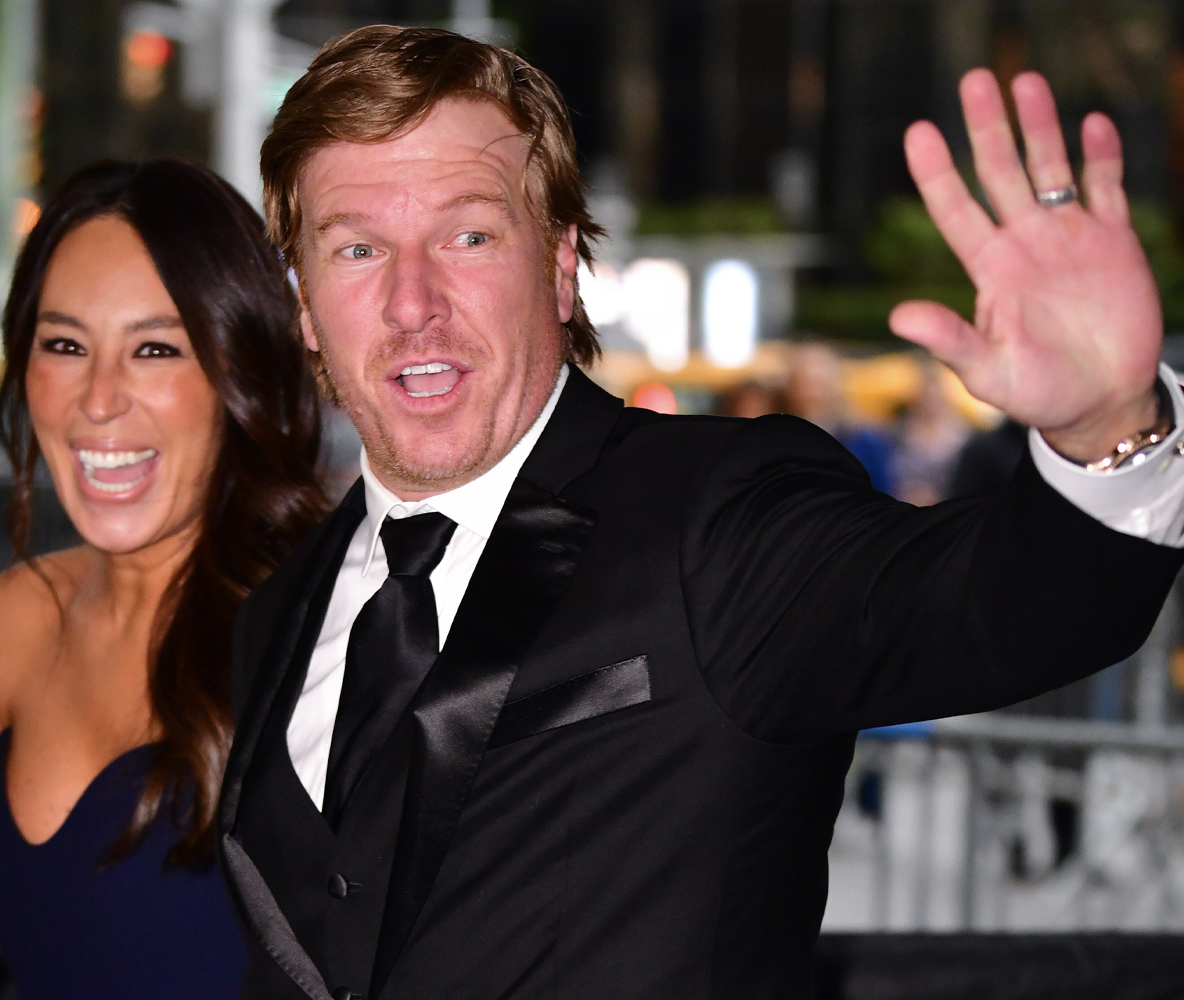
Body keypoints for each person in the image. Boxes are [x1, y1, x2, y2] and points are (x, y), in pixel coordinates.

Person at [219, 27, 1184, 1000]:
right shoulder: (279, 609)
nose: (411, 302)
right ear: (304, 305)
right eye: (357, 248)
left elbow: (1001, 604)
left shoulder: (720, 516)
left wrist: (1109, 426)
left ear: (560, 264)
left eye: (468, 236)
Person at [0, 159, 326, 1000]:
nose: (98, 400)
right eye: (65, 346)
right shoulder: (21, 616)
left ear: (237, 375)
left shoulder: (325, 633)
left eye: (155, 349)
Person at [782, 340, 897, 493]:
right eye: (804, 384)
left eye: (819, 384)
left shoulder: (863, 441)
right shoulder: (780, 440)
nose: (812, 393)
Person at [891, 359, 971, 505]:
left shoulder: (960, 435)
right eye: (926, 397)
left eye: (934, 397)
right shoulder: (899, 433)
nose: (930, 403)